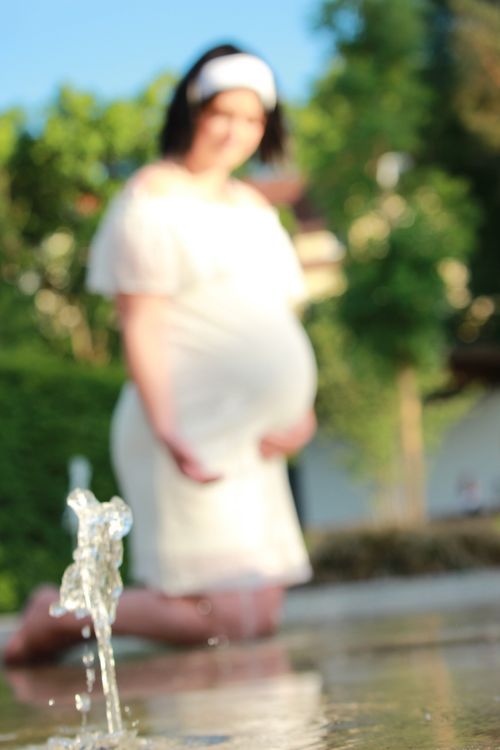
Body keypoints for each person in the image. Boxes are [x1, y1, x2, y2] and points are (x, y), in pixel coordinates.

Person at [4, 42, 317, 665]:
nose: (236, 131)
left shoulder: (255, 207)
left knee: (260, 613)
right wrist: (169, 427)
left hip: (253, 440)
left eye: (252, 119)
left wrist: (301, 413)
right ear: (192, 112)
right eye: (222, 114)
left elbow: (278, 319)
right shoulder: (150, 197)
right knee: (225, 614)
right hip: (189, 428)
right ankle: (61, 615)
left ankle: (72, 614)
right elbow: (140, 321)